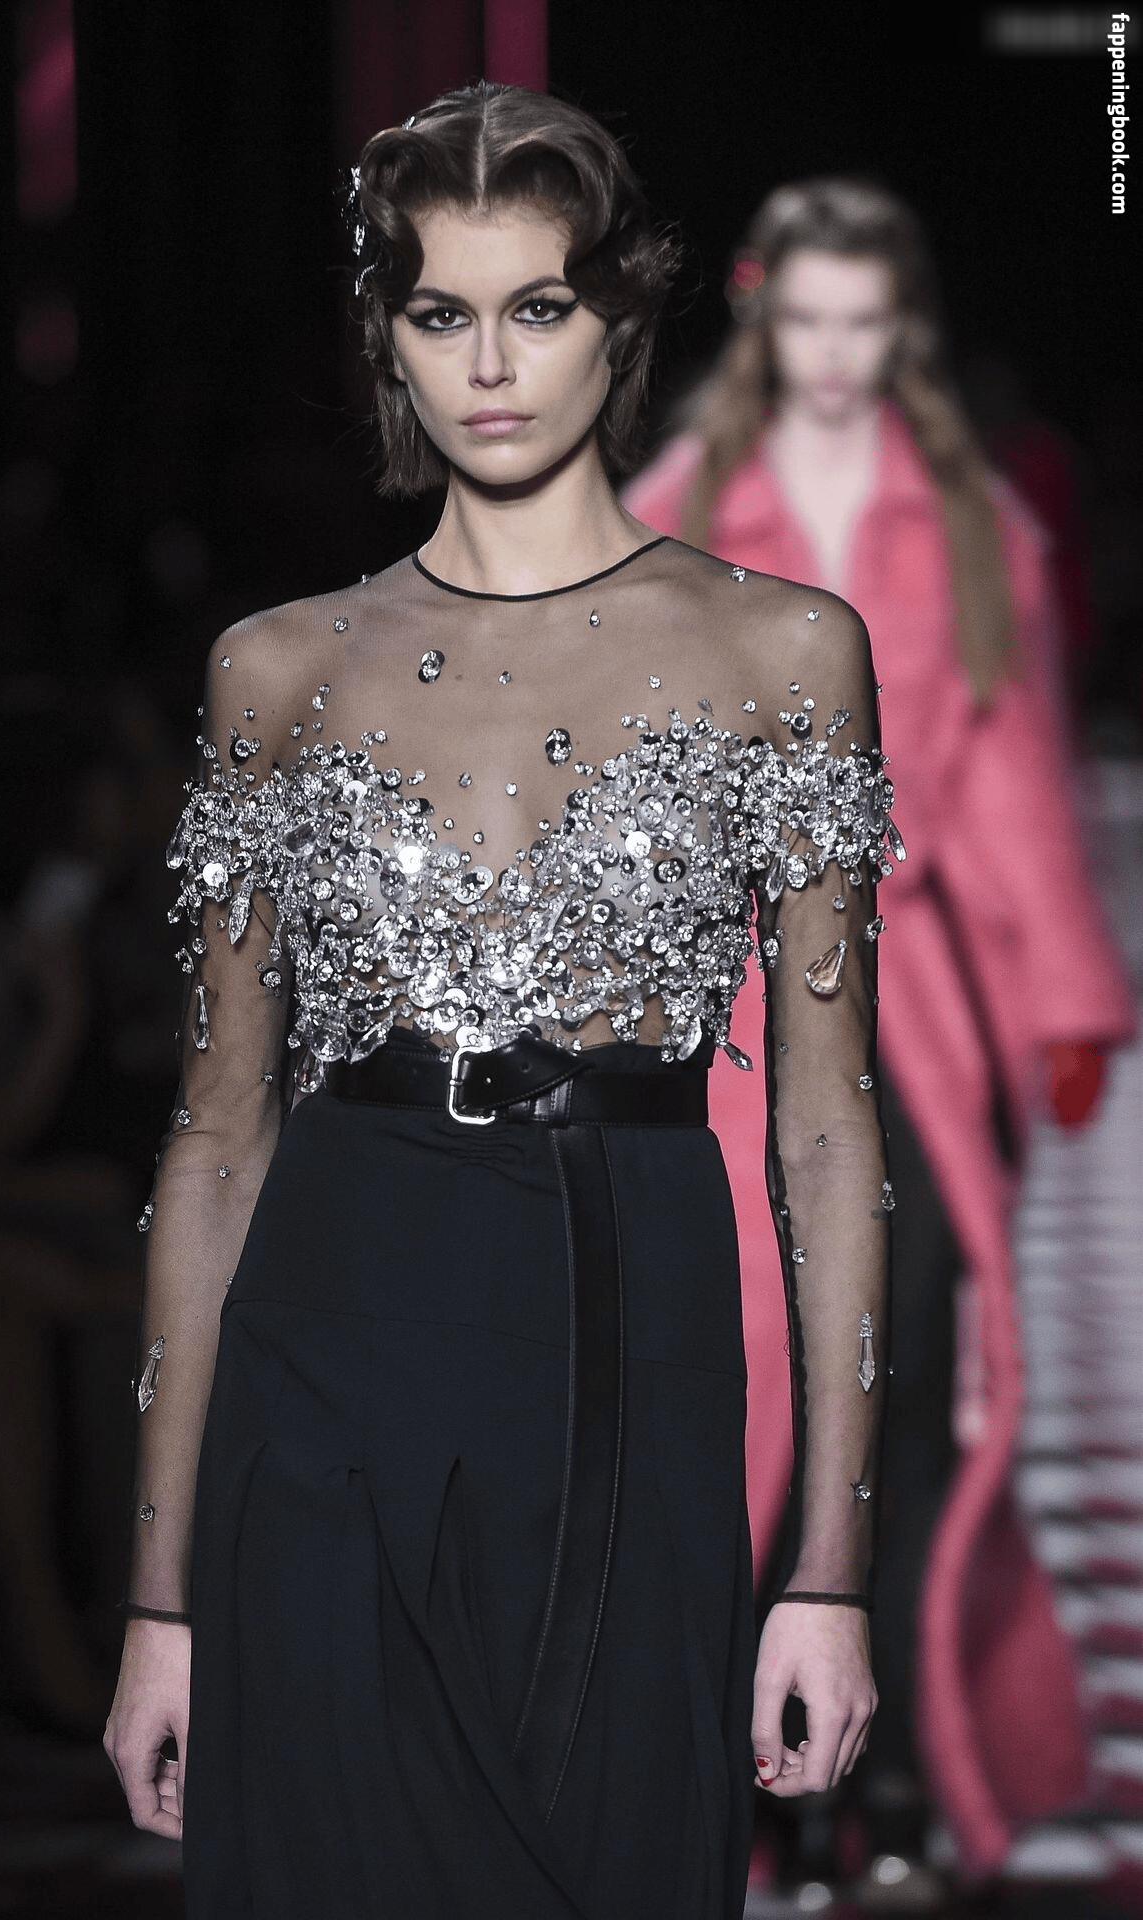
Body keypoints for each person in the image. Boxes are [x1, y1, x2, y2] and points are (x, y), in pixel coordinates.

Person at [103, 92, 900, 1918]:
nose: (487, 365)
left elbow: (824, 1128)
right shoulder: (278, 668)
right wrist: (160, 1604)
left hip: (623, 1310)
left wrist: (829, 1565)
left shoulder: (782, 651)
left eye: (535, 307)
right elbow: (215, 1142)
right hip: (332, 1306)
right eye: (439, 312)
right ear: (385, 335)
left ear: (620, 318)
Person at [623, 178, 1136, 1895]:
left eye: (864, 321)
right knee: (737, 1377)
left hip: (911, 1009)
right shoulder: (678, 511)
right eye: (808, 320)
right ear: (760, 315)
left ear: (899, 325)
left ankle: (899, 1764)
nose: (835, 355)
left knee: (904, 1380)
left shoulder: (972, 523)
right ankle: (741, 1769)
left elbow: (1011, 775)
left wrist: (1062, 1000)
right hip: (726, 1008)